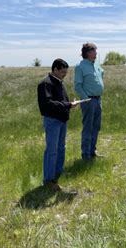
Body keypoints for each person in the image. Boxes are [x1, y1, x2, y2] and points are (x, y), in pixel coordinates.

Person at [37, 58, 79, 191]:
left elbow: (60, 101)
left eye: (66, 72)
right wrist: (68, 105)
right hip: (52, 121)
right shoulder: (45, 83)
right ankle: (48, 180)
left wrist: (70, 104)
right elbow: (47, 105)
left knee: (61, 148)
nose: (64, 74)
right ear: (55, 69)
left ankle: (58, 173)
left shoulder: (59, 82)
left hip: (62, 121)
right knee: (51, 150)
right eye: (62, 72)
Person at [74, 43, 105, 160]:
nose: (96, 53)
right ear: (87, 53)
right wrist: (86, 99)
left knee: (96, 126)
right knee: (88, 127)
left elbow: (102, 74)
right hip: (88, 100)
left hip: (98, 99)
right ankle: (85, 154)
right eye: (94, 51)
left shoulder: (96, 64)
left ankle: (92, 151)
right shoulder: (80, 66)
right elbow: (78, 86)